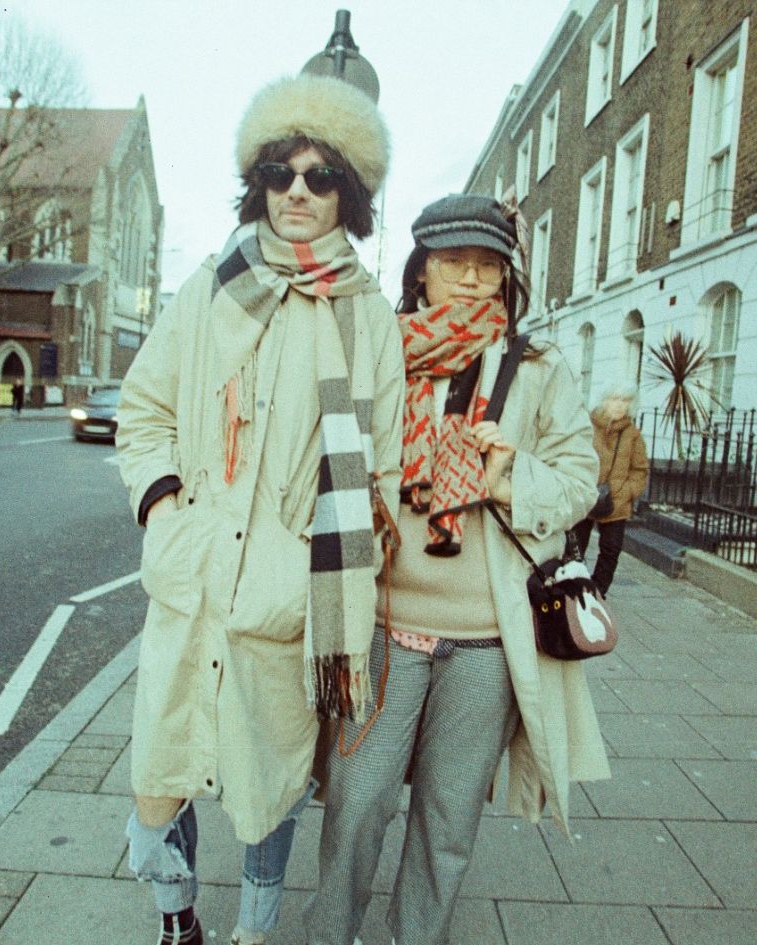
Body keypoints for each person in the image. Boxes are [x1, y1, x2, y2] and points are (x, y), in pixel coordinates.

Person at [116, 73, 402, 945]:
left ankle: (254, 931)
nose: (299, 192)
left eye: (321, 176)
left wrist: (301, 555)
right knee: (159, 777)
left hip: (285, 594)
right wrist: (165, 509)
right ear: (260, 183)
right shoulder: (210, 287)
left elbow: (380, 466)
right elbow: (145, 409)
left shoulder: (366, 315)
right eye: (282, 173)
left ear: (347, 194)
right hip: (193, 577)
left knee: (267, 788)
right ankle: (177, 915)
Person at [307, 194, 611, 945]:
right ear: (422, 274)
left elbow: (581, 480)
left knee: (448, 820)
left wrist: (506, 476)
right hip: (382, 626)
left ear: (508, 277)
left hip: (485, 642)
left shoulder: (537, 369)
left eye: (488, 266)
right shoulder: (381, 354)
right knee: (357, 803)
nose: (473, 281)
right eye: (454, 265)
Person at [572, 385, 650, 596]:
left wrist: (624, 494)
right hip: (585, 495)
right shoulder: (586, 425)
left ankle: (597, 592)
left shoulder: (633, 435)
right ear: (604, 400)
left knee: (611, 550)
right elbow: (573, 457)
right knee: (575, 547)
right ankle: (575, 588)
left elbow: (640, 470)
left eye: (625, 400)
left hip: (616, 501)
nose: (619, 405)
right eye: (615, 398)